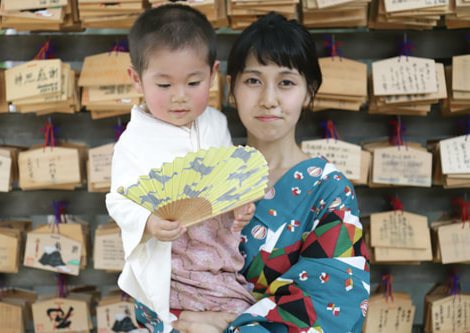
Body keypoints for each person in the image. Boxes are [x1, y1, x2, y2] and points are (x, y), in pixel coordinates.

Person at [172, 12, 370, 333]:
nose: (268, 100)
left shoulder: (328, 189)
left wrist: (228, 327)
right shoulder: (201, 176)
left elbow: (332, 301)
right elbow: (156, 275)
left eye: (286, 82)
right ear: (231, 89)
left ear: (309, 92)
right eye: (253, 80)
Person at [105, 4, 256, 333]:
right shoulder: (133, 144)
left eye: (193, 82)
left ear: (213, 74)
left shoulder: (215, 122)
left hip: (217, 255)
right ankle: (185, 320)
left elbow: (229, 179)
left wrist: (240, 206)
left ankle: (203, 319)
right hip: (170, 259)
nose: (179, 97)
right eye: (164, 85)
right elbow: (118, 202)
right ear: (137, 79)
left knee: (240, 313)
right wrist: (150, 222)